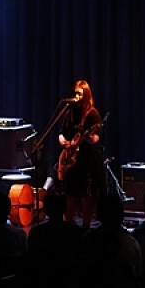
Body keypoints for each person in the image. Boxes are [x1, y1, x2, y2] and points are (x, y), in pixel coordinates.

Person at [57, 79, 104, 228]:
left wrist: (88, 137)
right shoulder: (69, 112)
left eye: (80, 93)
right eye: (75, 93)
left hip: (86, 160)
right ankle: (68, 224)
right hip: (70, 159)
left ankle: (86, 226)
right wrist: (63, 142)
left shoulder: (92, 113)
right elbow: (61, 133)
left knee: (87, 194)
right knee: (69, 193)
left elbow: (97, 137)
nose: (77, 96)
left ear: (86, 95)